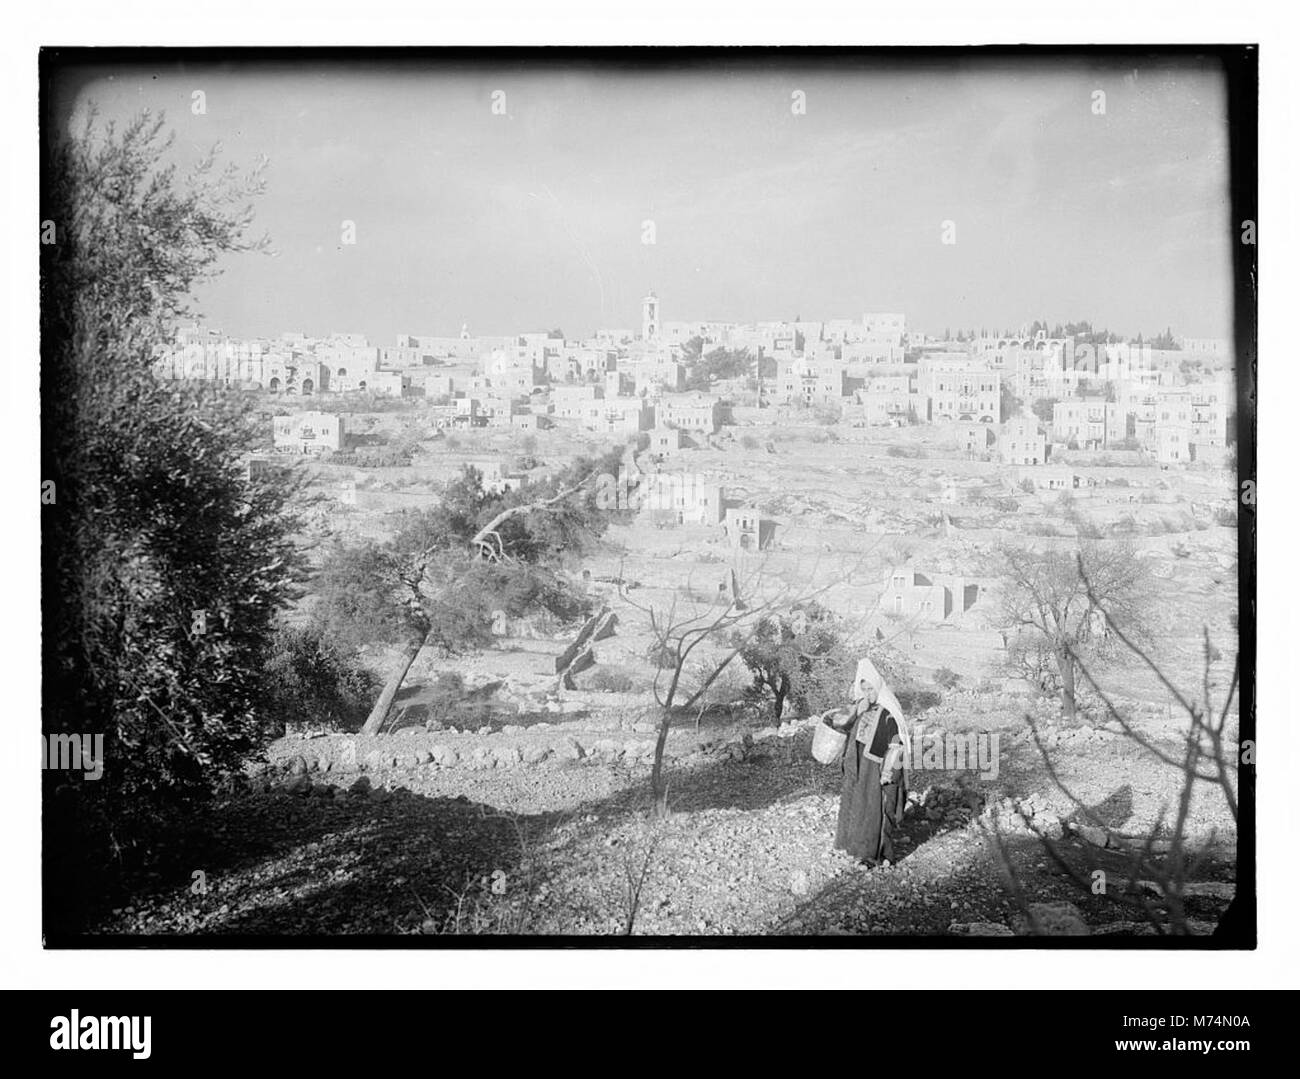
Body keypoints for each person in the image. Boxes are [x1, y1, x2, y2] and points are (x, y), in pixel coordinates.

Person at [829, 657, 909, 867]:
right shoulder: (862, 709)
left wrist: (889, 772)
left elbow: (897, 745)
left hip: (878, 768)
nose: (868, 694)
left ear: (878, 686)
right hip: (859, 766)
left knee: (877, 809)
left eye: (871, 689)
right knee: (859, 806)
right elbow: (845, 728)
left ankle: (880, 855)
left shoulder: (889, 713)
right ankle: (859, 848)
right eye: (864, 689)